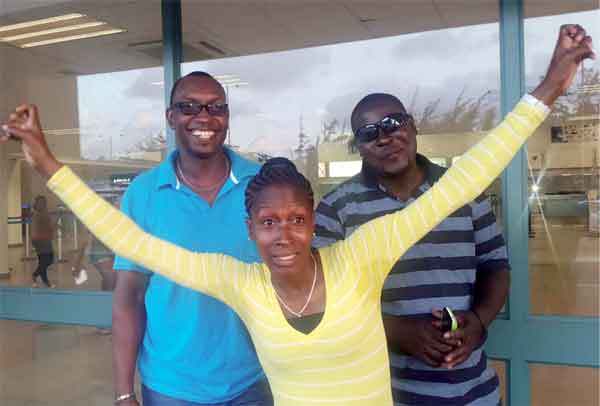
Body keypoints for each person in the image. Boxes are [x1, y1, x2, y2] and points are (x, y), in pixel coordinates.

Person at [2, 25, 593, 406]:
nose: (283, 235)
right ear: (249, 228)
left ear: (315, 221)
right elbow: (131, 240)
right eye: (268, 222)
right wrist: (47, 162)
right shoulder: (239, 281)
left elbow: (466, 178)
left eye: (296, 220)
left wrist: (550, 86)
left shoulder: (361, 256)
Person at [313, 84, 513, 404]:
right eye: (368, 133)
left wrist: (478, 321)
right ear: (359, 147)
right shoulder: (336, 208)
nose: (384, 138)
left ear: (412, 126)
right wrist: (396, 331)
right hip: (386, 394)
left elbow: (496, 267)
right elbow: (323, 298)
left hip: (475, 393)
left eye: (393, 123)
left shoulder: (462, 190)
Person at [30, 195, 56, 288]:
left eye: (43, 202)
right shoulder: (36, 214)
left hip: (47, 240)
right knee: (43, 261)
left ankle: (35, 274)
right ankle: (46, 281)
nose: (41, 204)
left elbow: (49, 225)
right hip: (39, 241)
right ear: (36, 204)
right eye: (39, 202)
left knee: (50, 260)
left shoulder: (45, 213)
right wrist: (34, 241)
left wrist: (55, 227)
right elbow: (34, 228)